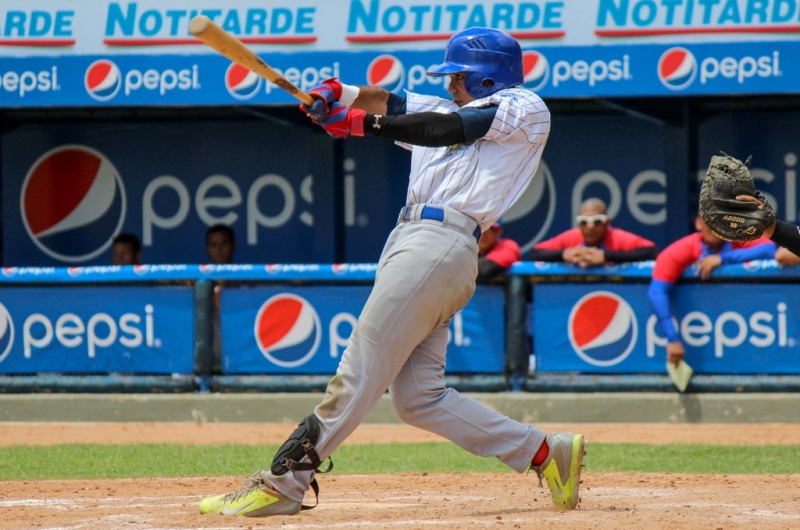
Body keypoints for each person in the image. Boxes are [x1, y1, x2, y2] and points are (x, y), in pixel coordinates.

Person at [199, 27, 585, 518]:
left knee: (358, 371)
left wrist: (359, 126)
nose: (450, 85)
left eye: (459, 77)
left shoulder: (524, 108)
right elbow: (392, 103)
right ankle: (545, 452)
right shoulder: (448, 108)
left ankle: (284, 482)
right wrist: (338, 94)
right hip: (415, 245)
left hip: (441, 243)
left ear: (489, 78)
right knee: (418, 398)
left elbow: (445, 129)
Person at [647, 215, 777, 367]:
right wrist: (672, 339)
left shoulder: (739, 237)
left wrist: (723, 259)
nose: (715, 226)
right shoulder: (684, 247)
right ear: (698, 223)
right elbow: (656, 292)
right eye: (709, 220)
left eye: (721, 220)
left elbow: (770, 249)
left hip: (752, 325)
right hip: (709, 329)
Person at [530, 198, 659, 266]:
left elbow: (652, 251)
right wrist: (564, 254)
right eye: (584, 221)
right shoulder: (572, 237)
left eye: (597, 221)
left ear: (607, 223)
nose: (590, 227)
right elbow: (535, 253)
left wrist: (605, 256)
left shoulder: (617, 237)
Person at [477, 219, 521, 283]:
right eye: (479, 229)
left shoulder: (507, 245)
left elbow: (484, 269)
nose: (483, 234)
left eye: (488, 229)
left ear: (498, 232)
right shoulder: (465, 246)